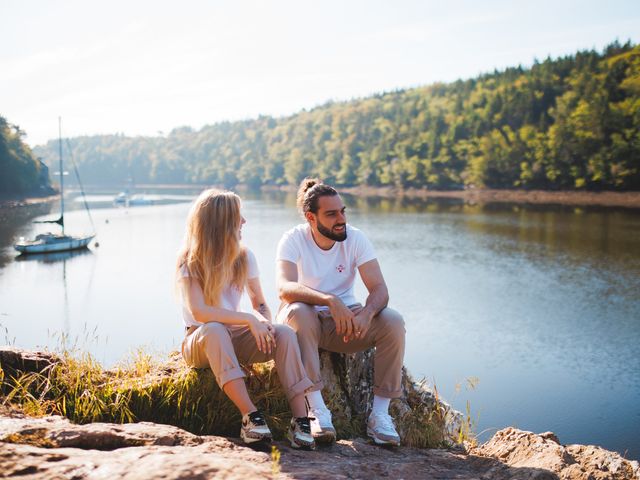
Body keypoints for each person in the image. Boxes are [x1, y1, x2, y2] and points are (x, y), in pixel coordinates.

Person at [177, 189, 315, 449]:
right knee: (215, 330)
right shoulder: (189, 260)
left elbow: (260, 304)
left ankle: (301, 420)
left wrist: (262, 322)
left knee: (284, 333)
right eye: (238, 216)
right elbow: (200, 313)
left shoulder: (244, 256)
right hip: (200, 340)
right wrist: (247, 319)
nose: (244, 222)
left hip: (235, 334)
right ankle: (251, 417)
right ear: (221, 223)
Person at [275, 178, 406, 447]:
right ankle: (317, 410)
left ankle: (379, 415)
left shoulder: (356, 238)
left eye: (343, 211)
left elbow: (380, 288)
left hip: (346, 324)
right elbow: (284, 288)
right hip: (306, 323)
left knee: (393, 321)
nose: (341, 219)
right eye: (332, 214)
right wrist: (329, 300)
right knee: (300, 311)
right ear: (311, 218)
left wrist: (367, 313)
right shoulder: (292, 239)